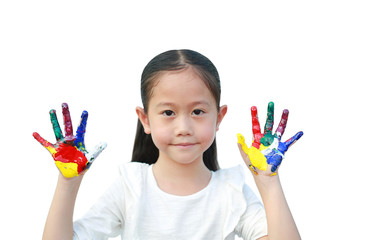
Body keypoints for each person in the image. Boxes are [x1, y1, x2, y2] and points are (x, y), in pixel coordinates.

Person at [34, 49, 302, 240]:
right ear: (145, 119)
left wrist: (268, 181)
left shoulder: (231, 192)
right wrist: (68, 183)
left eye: (198, 112)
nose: (184, 128)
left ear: (219, 118)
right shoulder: (131, 187)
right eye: (168, 113)